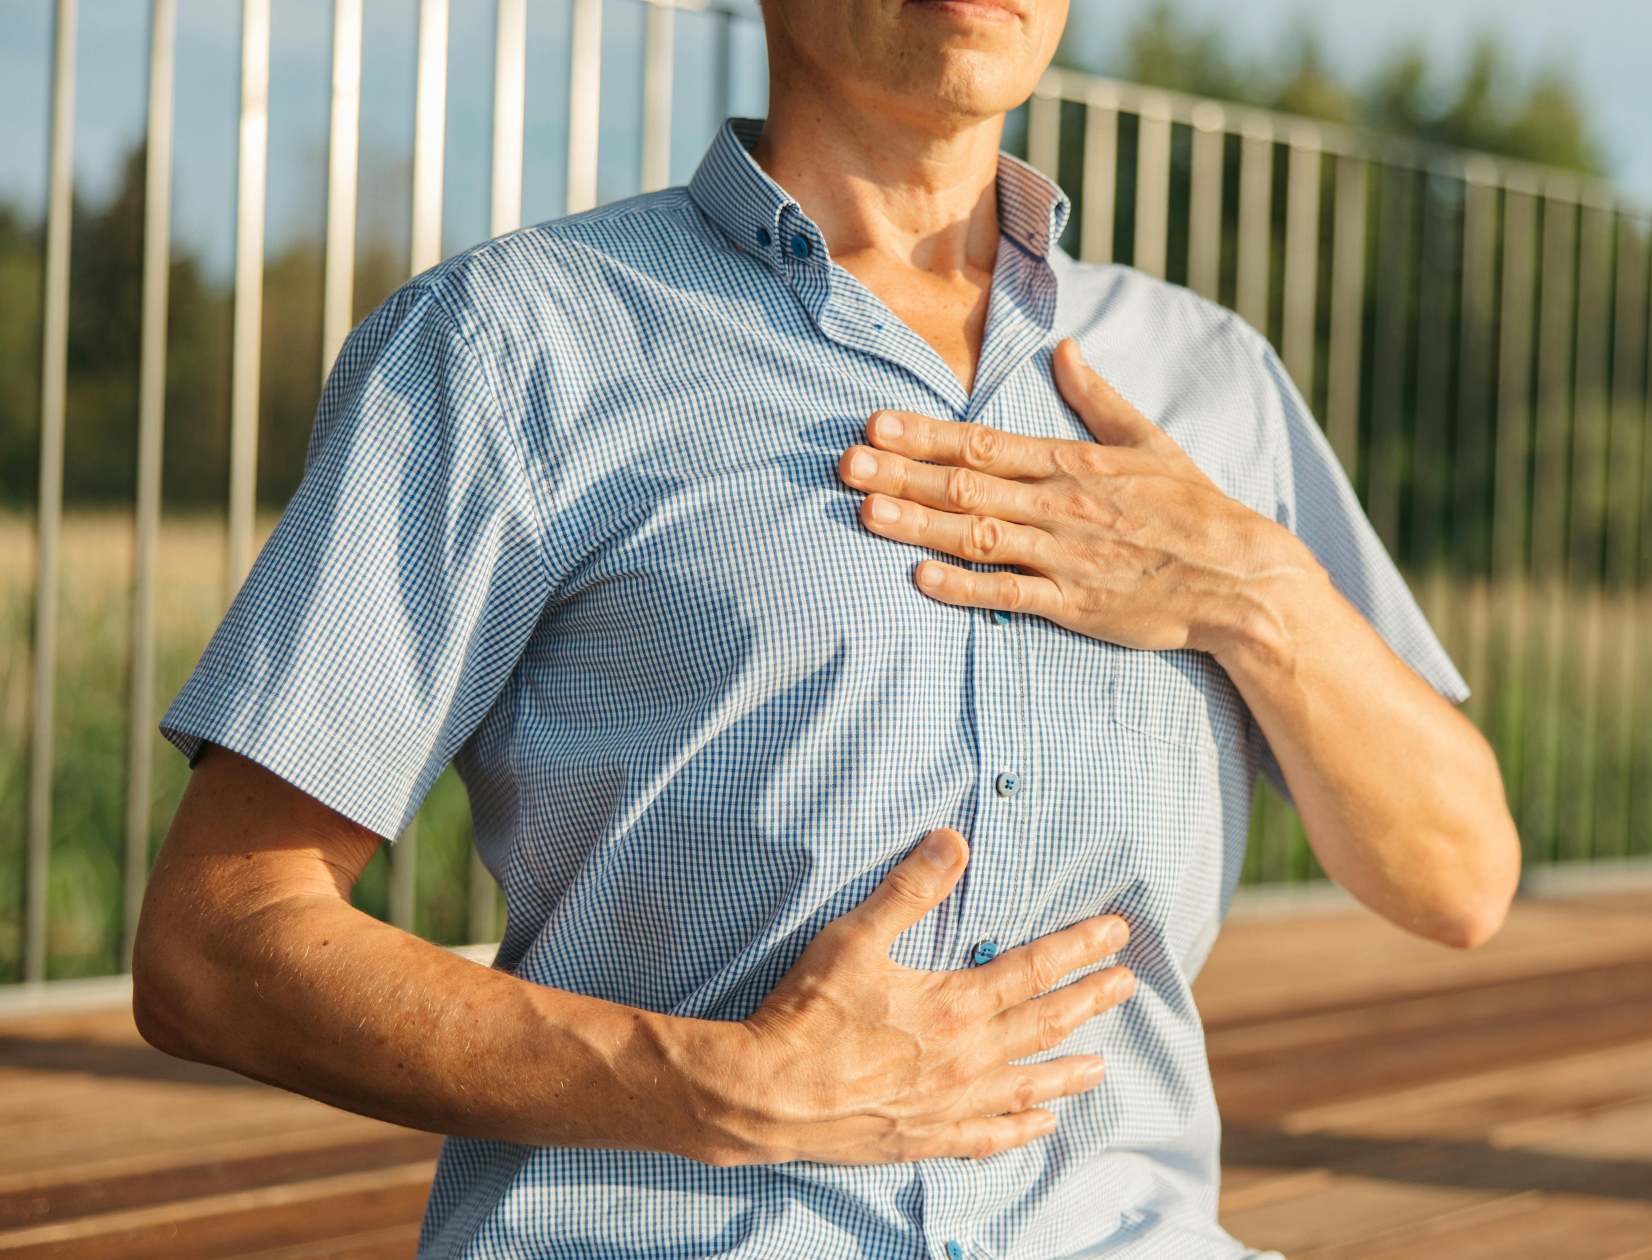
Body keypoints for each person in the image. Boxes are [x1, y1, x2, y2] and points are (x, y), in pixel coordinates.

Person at [131, 1, 1520, 1256]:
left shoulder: (1210, 380)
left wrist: (1251, 589)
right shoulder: (511, 347)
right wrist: (725, 1089)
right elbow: (217, 944)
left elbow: (1459, 878)